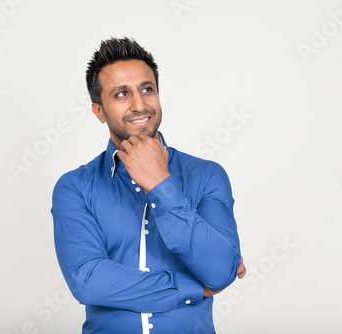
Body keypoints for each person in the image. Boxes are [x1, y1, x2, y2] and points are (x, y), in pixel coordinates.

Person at [51, 37, 245, 334]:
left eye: (147, 89)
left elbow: (220, 271)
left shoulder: (207, 175)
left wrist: (160, 183)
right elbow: (88, 281)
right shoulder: (74, 187)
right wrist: (194, 287)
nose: (140, 104)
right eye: (121, 94)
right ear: (99, 111)